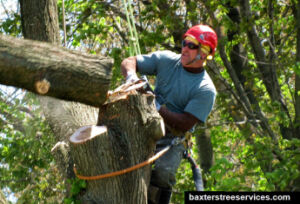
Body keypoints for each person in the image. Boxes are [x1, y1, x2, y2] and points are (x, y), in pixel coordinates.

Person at [121, 24, 217, 204]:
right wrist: (132, 77)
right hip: (144, 123)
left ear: (204, 53)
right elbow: (129, 61)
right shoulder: (167, 60)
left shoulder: (205, 89)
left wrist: (156, 106)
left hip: (173, 136)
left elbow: (185, 123)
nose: (185, 49)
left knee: (163, 173)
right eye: (184, 43)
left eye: (192, 46)